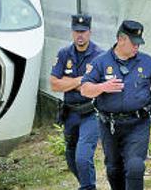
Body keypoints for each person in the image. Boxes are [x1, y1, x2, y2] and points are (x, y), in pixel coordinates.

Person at [81, 20, 151, 190]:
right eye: (134, 43)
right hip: (110, 125)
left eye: (139, 43)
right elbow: (85, 89)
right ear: (121, 39)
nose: (137, 47)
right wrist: (102, 87)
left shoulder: (146, 61)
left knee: (135, 167)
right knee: (114, 169)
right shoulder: (100, 62)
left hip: (138, 123)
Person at [49, 14, 103, 190]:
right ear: (72, 32)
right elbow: (54, 84)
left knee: (83, 155)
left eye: (84, 31)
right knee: (71, 156)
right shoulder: (64, 54)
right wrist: (81, 81)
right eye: (76, 31)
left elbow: (97, 86)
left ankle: (88, 187)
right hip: (70, 112)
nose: (80, 35)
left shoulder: (99, 55)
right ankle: (87, 184)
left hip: (91, 112)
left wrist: (68, 81)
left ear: (90, 32)